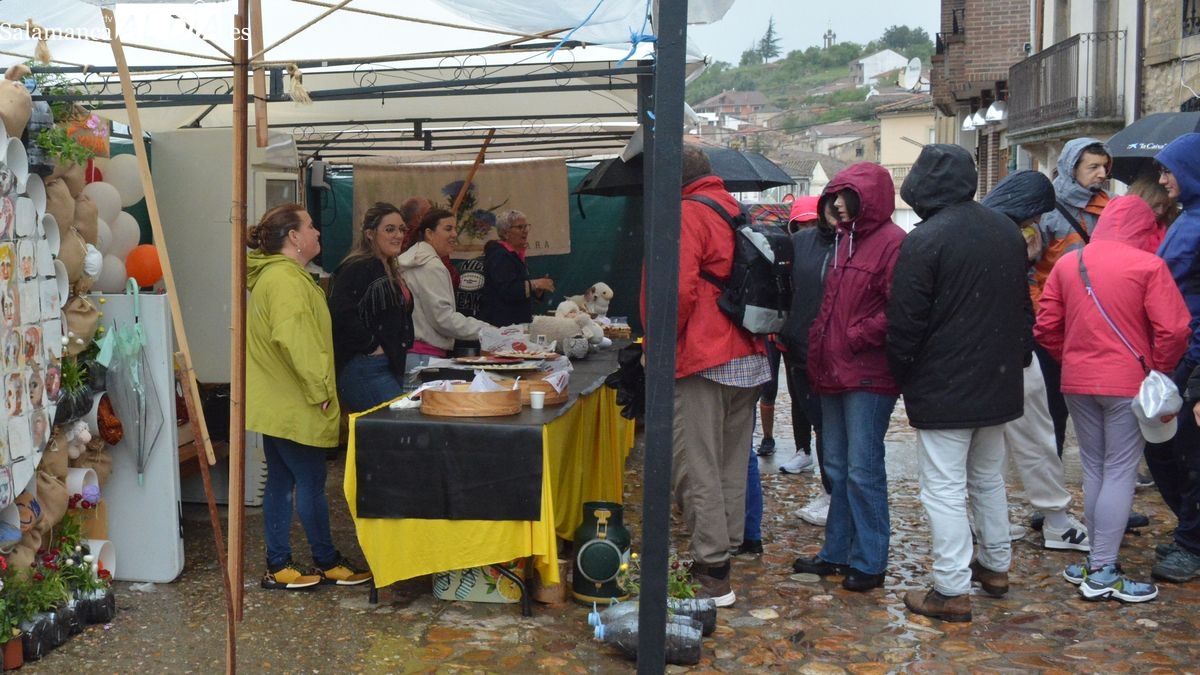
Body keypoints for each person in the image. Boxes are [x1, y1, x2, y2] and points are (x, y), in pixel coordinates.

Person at [887, 145, 1031, 622]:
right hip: (999, 378)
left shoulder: (926, 240)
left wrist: (902, 372)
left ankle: (950, 588)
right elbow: (1021, 308)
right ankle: (995, 566)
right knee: (987, 479)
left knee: (943, 487)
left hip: (945, 382)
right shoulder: (1005, 231)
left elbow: (905, 321)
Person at [1036, 195, 1189, 602]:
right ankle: (1103, 569)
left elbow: (1047, 324)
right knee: (1120, 470)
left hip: (1077, 379)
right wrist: (1158, 367)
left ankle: (1095, 561)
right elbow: (1174, 330)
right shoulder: (1148, 265)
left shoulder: (1070, 262)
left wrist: (1069, 357)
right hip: (1128, 382)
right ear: (1142, 227)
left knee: (1094, 467)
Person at [655, 145, 770, 607]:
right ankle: (723, 553)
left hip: (704, 354)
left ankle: (712, 570)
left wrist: (659, 348)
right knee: (728, 462)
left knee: (695, 462)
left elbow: (676, 290)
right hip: (748, 352)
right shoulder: (733, 209)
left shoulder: (687, 213)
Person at [791, 163, 906, 593]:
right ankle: (837, 552)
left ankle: (871, 561)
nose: (835, 202)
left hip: (868, 375)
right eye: (834, 195)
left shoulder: (894, 244)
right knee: (836, 467)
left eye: (844, 195)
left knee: (862, 470)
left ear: (867, 198)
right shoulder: (844, 241)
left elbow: (897, 309)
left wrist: (853, 337)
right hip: (834, 369)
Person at [245, 203, 372, 590]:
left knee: (283, 484)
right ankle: (326, 560)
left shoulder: (281, 277)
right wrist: (320, 391)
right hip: (295, 402)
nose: (318, 232)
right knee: (313, 483)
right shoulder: (285, 281)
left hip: (279, 403)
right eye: (311, 226)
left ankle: (279, 565)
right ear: (294, 238)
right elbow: (295, 340)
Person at [980, 170, 1091, 552]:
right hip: (1014, 353)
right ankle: (1057, 522)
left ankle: (988, 524)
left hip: (977, 355)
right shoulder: (1010, 237)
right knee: (1036, 440)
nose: (1039, 221)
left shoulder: (981, 229)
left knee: (987, 448)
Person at [1032, 138, 1112, 455]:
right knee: (1053, 408)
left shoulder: (1111, 210)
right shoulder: (1046, 212)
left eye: (1105, 166)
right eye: (1093, 167)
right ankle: (1050, 485)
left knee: (1104, 406)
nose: (1102, 174)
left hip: (1100, 324)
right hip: (1055, 323)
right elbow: (1031, 270)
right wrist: (1042, 315)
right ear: (1071, 168)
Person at [1149, 132, 1200, 583]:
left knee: (1188, 454)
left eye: (1169, 170)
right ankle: (1190, 530)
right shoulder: (1187, 218)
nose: (1163, 179)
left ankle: (1192, 543)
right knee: (1165, 449)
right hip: (1177, 353)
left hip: (1194, 358)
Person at [776, 196, 833, 525]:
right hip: (798, 348)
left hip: (836, 351)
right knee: (818, 420)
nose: (810, 227)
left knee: (831, 426)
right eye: (804, 222)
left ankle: (835, 494)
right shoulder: (795, 247)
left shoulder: (851, 245)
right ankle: (830, 492)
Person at [327, 202, 413, 413]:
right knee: (398, 429)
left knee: (393, 433)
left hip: (386, 364)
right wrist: (372, 346)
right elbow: (340, 313)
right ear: (370, 234)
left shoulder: (388, 268)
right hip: (365, 367)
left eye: (401, 229)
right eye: (389, 229)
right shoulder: (358, 267)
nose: (398, 235)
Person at [397, 208, 492, 364]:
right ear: (429, 233)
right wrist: (487, 330)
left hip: (410, 353)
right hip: (425, 357)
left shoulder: (413, 259)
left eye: (455, 228)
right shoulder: (431, 266)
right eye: (448, 229)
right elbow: (443, 319)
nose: (454, 234)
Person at [476, 210, 555, 328]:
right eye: (519, 227)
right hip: (501, 326)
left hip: (514, 324)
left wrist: (536, 292)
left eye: (526, 227)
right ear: (506, 233)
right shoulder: (499, 256)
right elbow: (507, 290)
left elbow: (518, 290)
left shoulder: (513, 255)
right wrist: (535, 284)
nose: (525, 231)